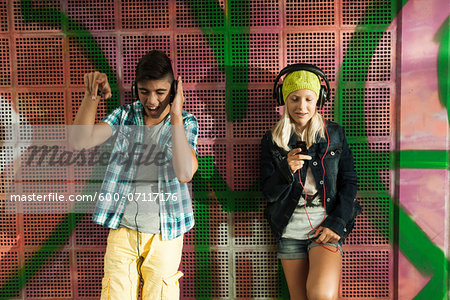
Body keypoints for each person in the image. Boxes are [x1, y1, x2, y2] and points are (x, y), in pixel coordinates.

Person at [70, 50, 198, 299]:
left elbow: (184, 173)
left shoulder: (185, 122)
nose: (151, 101)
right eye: (144, 91)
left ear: (173, 90)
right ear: (135, 89)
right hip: (124, 230)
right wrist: (91, 95)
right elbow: (79, 140)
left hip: (167, 232)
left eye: (160, 92)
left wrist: (175, 116)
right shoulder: (125, 116)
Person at [261, 64, 361, 300]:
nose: (302, 106)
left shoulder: (334, 134)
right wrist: (286, 169)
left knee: (320, 295)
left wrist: (338, 223)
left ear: (320, 100)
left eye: (308, 99)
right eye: (295, 99)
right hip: (289, 231)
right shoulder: (273, 140)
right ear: (285, 100)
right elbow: (268, 192)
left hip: (324, 228)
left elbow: (350, 183)